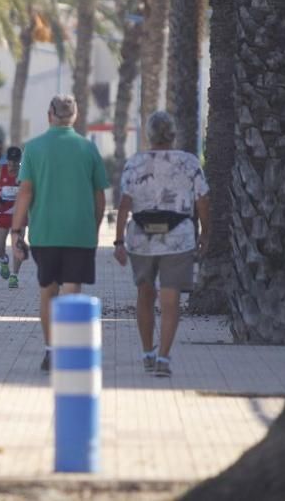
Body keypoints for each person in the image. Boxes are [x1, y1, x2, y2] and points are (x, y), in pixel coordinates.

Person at [11, 95, 108, 372]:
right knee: (72, 291)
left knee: (47, 291)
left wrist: (16, 231)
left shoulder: (34, 148)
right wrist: (95, 227)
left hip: (45, 233)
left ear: (49, 114)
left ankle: (51, 350)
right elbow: (99, 196)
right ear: (75, 116)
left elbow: (25, 193)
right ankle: (69, 350)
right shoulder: (87, 148)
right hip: (80, 232)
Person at [114, 111, 210, 378]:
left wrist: (119, 241)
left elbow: (125, 203)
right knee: (171, 299)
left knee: (145, 294)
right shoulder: (189, 163)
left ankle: (147, 353)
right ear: (173, 134)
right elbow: (203, 200)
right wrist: (205, 234)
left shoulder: (135, 164)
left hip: (141, 239)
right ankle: (164, 358)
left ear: (149, 135)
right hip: (178, 238)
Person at [0, 146, 24, 288]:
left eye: (16, 163)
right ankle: (4, 260)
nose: (13, 167)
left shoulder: (25, 173)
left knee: (18, 246)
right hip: (2, 211)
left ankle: (14, 276)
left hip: (19, 213)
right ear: (7, 161)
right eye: (11, 163)